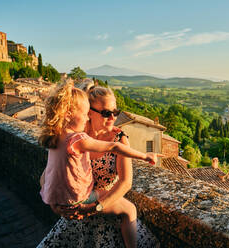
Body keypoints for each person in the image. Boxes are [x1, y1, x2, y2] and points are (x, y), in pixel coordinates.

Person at [38, 81, 160, 248]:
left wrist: (94, 207)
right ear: (89, 112)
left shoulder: (119, 138)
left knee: (129, 210)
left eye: (115, 112)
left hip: (103, 204)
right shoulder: (77, 135)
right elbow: (51, 172)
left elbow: (126, 183)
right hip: (77, 213)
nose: (113, 118)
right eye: (106, 113)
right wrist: (57, 206)